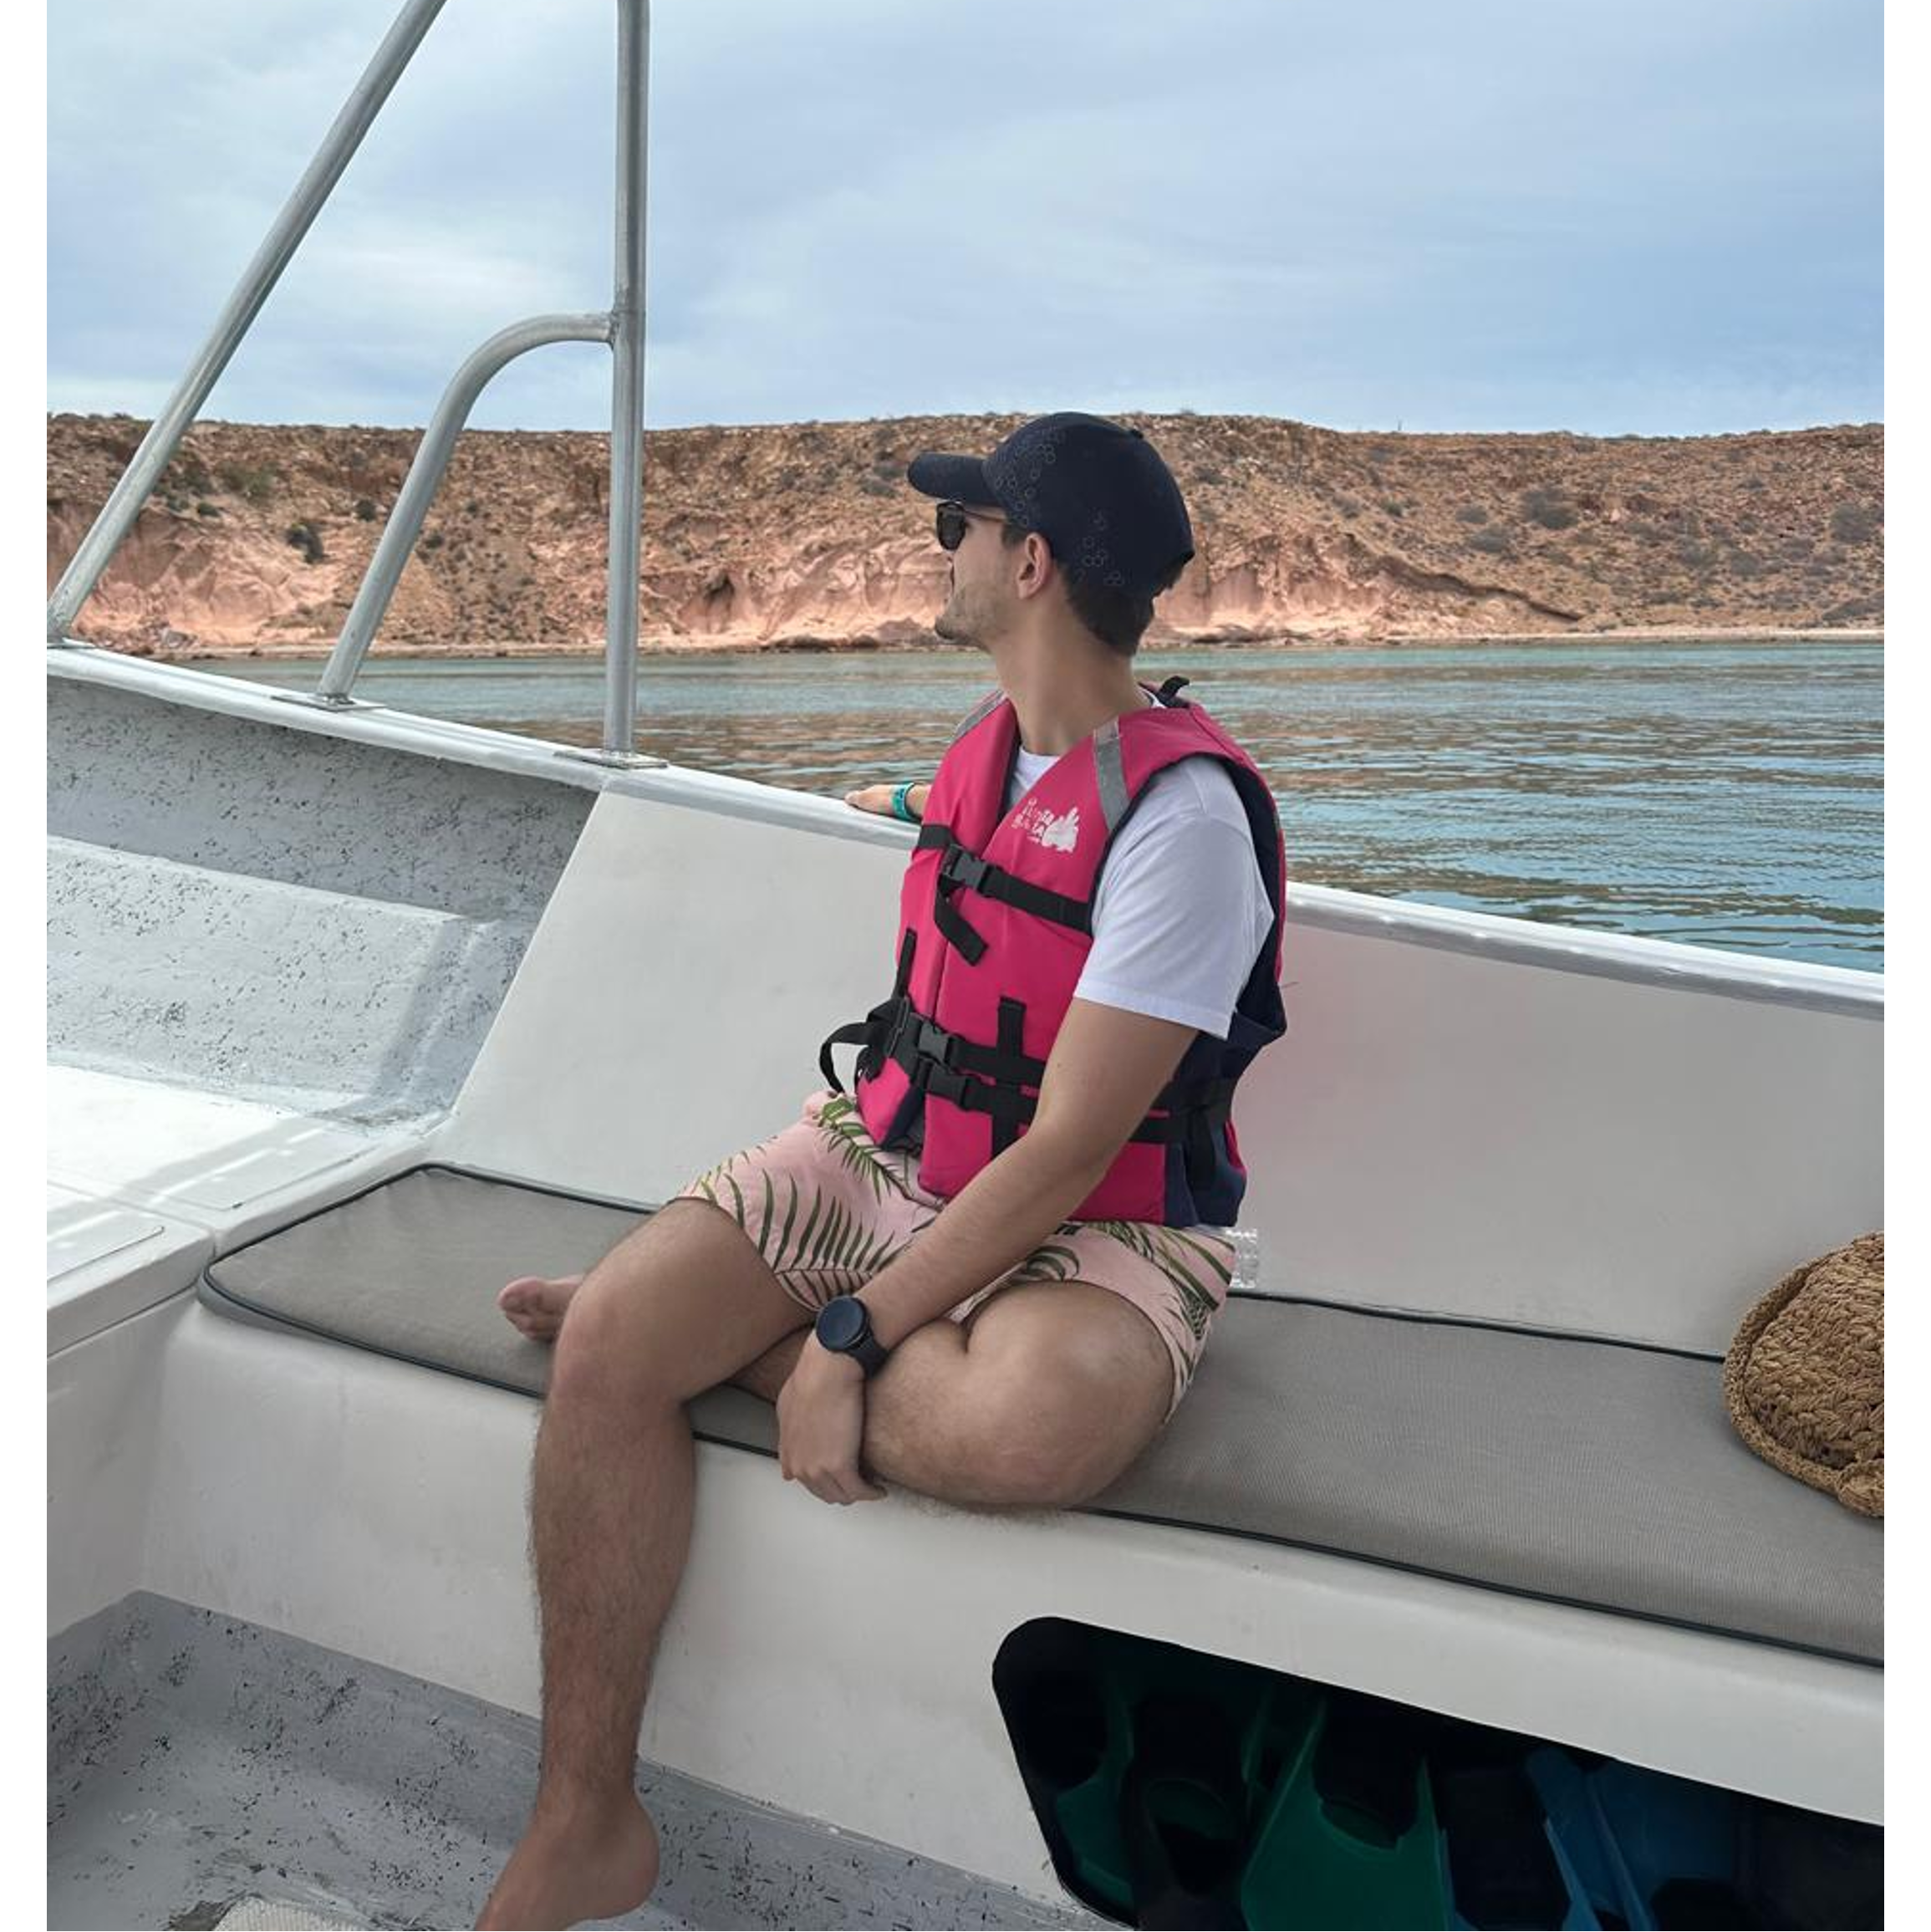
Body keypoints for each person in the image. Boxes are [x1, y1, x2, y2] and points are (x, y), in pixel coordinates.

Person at [475, 412, 1286, 1929]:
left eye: (955, 529)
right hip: (890, 1150)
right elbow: (990, 869)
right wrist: (901, 807)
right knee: (606, 1346)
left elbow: (1069, 1149)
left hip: (1097, 1221)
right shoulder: (996, 746)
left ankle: (747, 1335)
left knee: (1031, 1428)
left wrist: (844, 1340)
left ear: (1028, 563)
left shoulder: (1180, 826)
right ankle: (583, 1818)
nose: (942, 552)